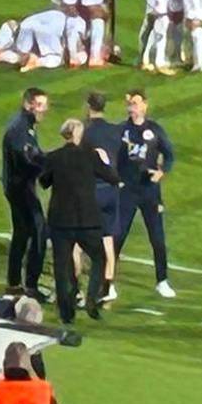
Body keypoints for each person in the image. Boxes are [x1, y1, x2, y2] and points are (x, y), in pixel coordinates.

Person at [37, 118, 104, 330]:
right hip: (85, 221)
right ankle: (92, 299)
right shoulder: (89, 156)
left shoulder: (54, 156)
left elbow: (44, 182)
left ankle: (66, 314)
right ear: (76, 133)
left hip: (60, 221)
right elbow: (109, 175)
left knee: (61, 266)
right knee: (99, 258)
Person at [114, 88, 175, 299]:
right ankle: (108, 281)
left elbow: (169, 156)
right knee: (118, 236)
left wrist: (162, 172)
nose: (133, 107)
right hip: (127, 191)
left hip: (150, 190)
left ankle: (162, 280)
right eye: (130, 104)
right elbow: (111, 158)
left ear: (145, 105)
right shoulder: (121, 130)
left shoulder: (155, 130)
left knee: (157, 237)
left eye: (136, 103)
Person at [2, 88, 50, 299]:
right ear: (27, 104)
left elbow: (34, 155)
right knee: (39, 231)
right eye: (39, 105)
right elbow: (25, 161)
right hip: (20, 188)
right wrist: (48, 168)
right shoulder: (19, 129)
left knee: (22, 233)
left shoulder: (26, 126)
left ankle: (14, 283)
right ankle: (31, 285)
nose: (44, 110)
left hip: (20, 186)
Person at [82, 91, 126, 302]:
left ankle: (77, 290)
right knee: (108, 239)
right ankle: (108, 288)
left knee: (75, 240)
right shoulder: (115, 131)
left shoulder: (85, 133)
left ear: (88, 106)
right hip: (111, 191)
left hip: (91, 191)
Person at [0, 9, 70, 71]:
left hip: (29, 43)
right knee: (11, 30)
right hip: (24, 35)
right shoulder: (57, 19)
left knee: (54, 60)